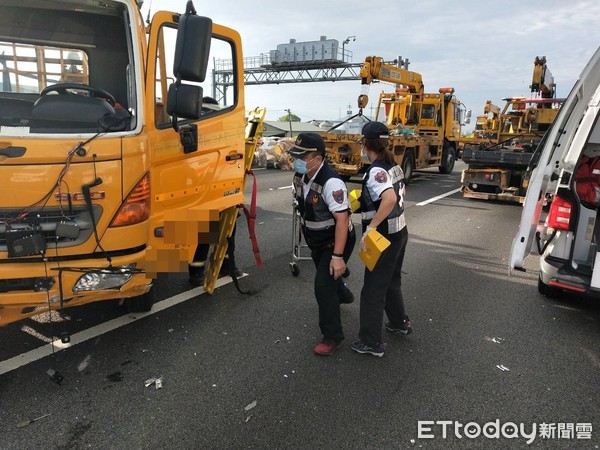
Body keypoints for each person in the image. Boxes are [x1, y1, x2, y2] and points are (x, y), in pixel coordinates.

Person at [289, 132, 356, 356]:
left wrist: (338, 257)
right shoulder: (302, 176)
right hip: (316, 239)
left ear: (317, 159)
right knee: (327, 274)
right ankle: (343, 293)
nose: (296, 161)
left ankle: (333, 337)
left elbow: (342, 220)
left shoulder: (332, 182)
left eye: (301, 156)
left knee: (322, 287)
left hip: (334, 241)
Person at [351, 121, 412, 358]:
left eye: (363, 145)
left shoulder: (376, 170)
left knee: (373, 288)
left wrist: (371, 227)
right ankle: (398, 322)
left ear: (367, 144)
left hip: (384, 235)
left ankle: (371, 342)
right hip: (399, 232)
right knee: (391, 281)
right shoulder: (392, 164)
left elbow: (387, 199)